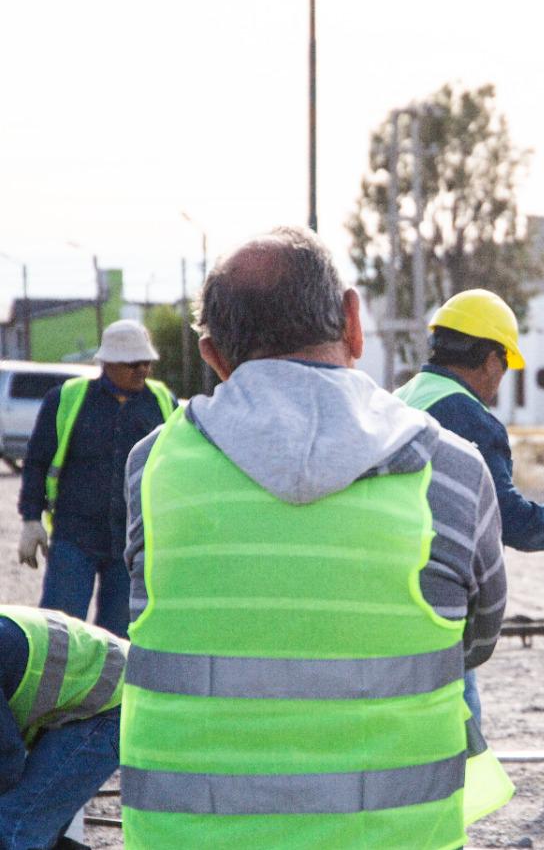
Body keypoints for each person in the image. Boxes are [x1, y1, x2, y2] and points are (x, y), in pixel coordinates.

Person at [119, 226, 511, 848]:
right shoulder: (454, 469)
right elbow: (477, 638)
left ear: (213, 353)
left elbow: (153, 617)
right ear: (353, 322)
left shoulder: (154, 465)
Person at [394, 288, 544, 724]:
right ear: (491, 359)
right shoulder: (469, 417)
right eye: (504, 366)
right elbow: (504, 517)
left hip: (391, 588)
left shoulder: (403, 398)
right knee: (458, 738)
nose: (501, 380)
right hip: (437, 600)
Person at [17, 319, 175, 637]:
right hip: (74, 539)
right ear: (109, 363)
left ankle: (109, 691)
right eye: (133, 363)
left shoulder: (162, 403)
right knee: (58, 634)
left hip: (132, 545)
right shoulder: (67, 399)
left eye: (147, 362)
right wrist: (31, 519)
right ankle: (53, 689)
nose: (143, 369)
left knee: (118, 640)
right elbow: (36, 462)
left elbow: (175, 468)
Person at [0, 605, 127, 850]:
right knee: (30, 826)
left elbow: (7, 763)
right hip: (86, 700)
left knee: (13, 830)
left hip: (114, 703)